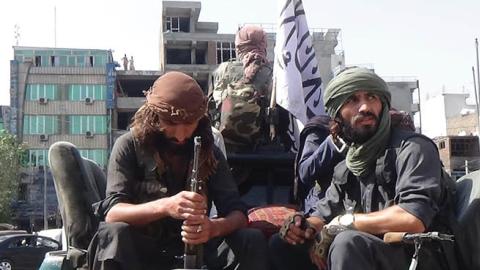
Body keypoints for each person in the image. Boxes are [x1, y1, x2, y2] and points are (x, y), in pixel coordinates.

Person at [269, 67, 457, 270]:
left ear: (382, 105)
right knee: (282, 246)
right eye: (352, 100)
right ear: (338, 114)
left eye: (372, 97)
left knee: (346, 243)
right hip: (372, 252)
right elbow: (323, 214)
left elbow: (412, 217)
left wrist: (343, 223)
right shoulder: (348, 163)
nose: (365, 107)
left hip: (421, 255)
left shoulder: (413, 148)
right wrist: (303, 227)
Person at [90, 71, 268, 270]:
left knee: (250, 239)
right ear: (154, 116)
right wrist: (166, 206)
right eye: (172, 123)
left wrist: (212, 228)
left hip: (198, 250)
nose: (181, 135)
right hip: (144, 253)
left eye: (189, 124)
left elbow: (238, 214)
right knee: (114, 234)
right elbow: (113, 213)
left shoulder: (209, 151)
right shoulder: (129, 145)